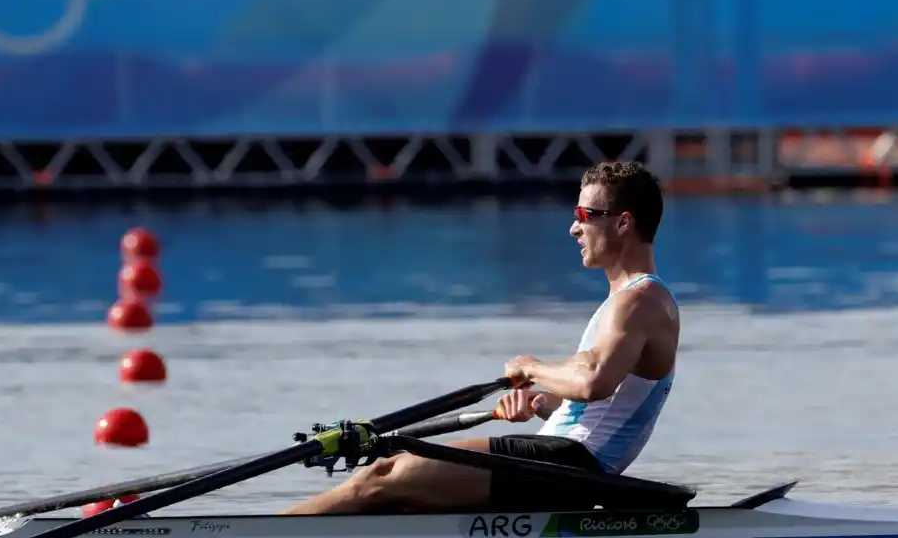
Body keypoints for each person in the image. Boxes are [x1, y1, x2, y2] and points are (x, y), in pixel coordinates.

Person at [280, 161, 680, 515]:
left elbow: (594, 382)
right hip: (559, 455)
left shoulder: (639, 301)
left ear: (623, 223)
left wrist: (531, 368)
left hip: (574, 465)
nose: (574, 227)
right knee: (391, 471)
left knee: (387, 473)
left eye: (585, 214)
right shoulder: (625, 301)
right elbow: (608, 395)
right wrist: (546, 402)